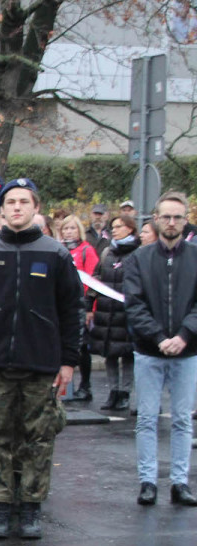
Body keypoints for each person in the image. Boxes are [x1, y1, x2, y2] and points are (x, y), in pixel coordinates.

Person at [0, 178, 79, 539]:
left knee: (38, 438)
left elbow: (71, 310)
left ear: (35, 208)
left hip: (42, 364)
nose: (17, 208)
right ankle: (0, 503)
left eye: (24, 202)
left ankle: (30, 506)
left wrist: (68, 361)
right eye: (10, 202)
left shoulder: (54, 254)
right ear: (2, 209)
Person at [123, 192, 197, 507]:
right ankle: (148, 482)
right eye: (165, 216)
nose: (171, 222)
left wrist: (183, 334)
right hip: (148, 351)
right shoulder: (138, 259)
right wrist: (157, 337)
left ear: (185, 220)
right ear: (155, 218)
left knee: (182, 419)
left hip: (188, 350)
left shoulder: (196, 256)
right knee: (147, 419)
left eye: (177, 217)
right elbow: (134, 304)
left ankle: (180, 482)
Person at [88, 214, 138, 411]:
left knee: (127, 354)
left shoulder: (137, 253)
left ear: (130, 229)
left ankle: (125, 393)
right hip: (106, 310)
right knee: (109, 352)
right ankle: (113, 392)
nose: (114, 230)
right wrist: (89, 305)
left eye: (119, 226)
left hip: (126, 311)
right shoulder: (108, 252)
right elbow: (96, 278)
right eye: (113, 227)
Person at [58, 215, 99, 401]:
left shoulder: (87, 250)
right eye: (65, 229)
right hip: (60, 304)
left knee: (82, 347)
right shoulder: (58, 250)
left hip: (81, 304)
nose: (68, 232)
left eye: (72, 229)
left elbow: (93, 281)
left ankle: (85, 385)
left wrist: (91, 308)